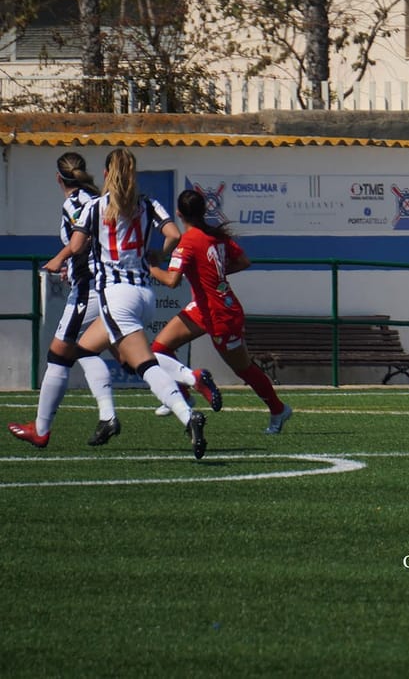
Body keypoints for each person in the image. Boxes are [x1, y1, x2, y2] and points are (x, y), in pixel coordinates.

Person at [23, 148, 219, 459]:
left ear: (105, 175)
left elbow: (76, 246)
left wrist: (54, 262)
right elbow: (172, 235)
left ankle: (185, 413)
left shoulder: (96, 207)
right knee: (85, 349)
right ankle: (109, 416)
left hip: (116, 294)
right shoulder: (147, 203)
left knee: (144, 364)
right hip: (144, 292)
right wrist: (157, 255)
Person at [147, 189, 292, 434]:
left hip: (221, 314)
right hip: (204, 308)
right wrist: (215, 276)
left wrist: (149, 266)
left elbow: (172, 281)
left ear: (179, 214)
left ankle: (279, 410)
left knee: (243, 368)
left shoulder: (188, 241)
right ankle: (184, 396)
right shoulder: (215, 236)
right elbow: (244, 261)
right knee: (159, 348)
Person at [6, 153, 120, 448]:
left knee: (59, 354)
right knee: (99, 352)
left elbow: (80, 243)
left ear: (59, 178)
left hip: (90, 286)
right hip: (107, 282)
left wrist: (65, 261)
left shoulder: (75, 203)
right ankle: (110, 414)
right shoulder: (97, 196)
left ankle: (41, 430)